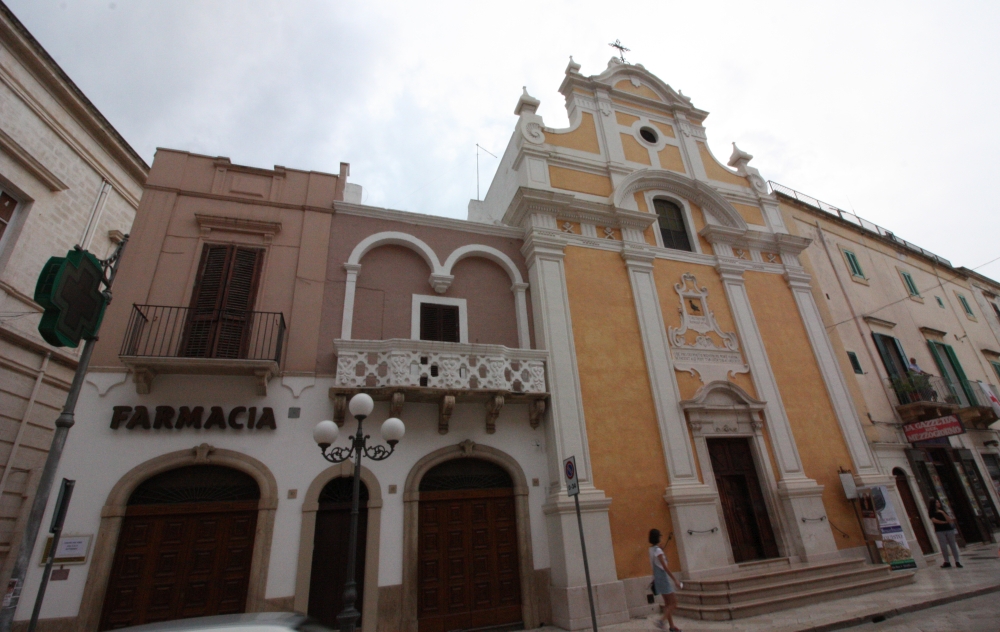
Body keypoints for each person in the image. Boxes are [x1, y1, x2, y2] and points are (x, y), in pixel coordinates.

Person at [649, 528, 683, 632]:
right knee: (673, 603)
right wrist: (675, 580)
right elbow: (664, 566)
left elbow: (656, 562)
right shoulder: (658, 551)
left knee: (667, 604)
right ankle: (661, 621)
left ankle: (672, 627)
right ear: (657, 537)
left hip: (657, 579)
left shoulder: (651, 549)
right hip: (663, 578)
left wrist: (661, 550)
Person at [929, 498, 962, 568]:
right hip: (939, 530)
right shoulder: (931, 512)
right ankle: (947, 561)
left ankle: (957, 561)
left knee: (953, 545)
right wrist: (943, 522)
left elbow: (949, 519)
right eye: (937, 502)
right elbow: (934, 520)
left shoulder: (942, 510)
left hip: (948, 529)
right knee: (943, 546)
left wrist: (942, 513)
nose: (939, 503)